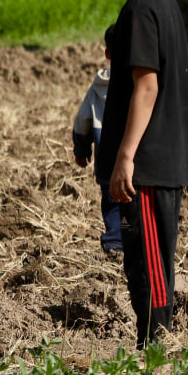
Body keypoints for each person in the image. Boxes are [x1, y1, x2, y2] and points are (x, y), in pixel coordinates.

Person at [94, 0, 188, 349]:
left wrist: (125, 157)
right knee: (143, 260)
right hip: (156, 160)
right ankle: (150, 345)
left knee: (151, 264)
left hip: (149, 164)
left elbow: (147, 87)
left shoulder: (142, 9)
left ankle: (158, 347)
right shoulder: (160, 1)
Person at [73, 24, 123, 255]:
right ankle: (134, 239)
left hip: (105, 153)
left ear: (107, 54)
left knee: (111, 200)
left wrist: (82, 150)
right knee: (134, 200)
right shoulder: (138, 84)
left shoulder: (98, 87)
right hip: (133, 155)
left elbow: (83, 119)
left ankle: (114, 242)